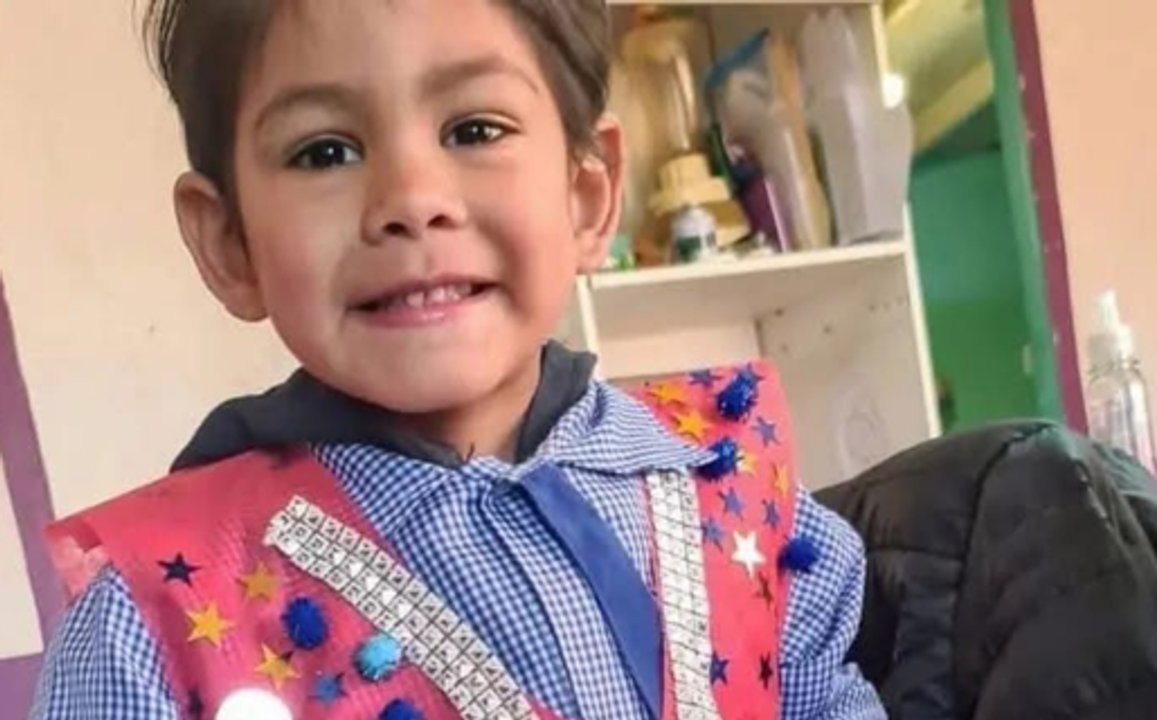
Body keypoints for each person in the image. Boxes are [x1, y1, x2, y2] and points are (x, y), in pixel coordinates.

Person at [31, 1, 885, 718]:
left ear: (586, 196)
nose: (411, 200)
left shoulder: (734, 491)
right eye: (324, 151)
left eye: (474, 129)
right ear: (229, 243)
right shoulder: (150, 621)